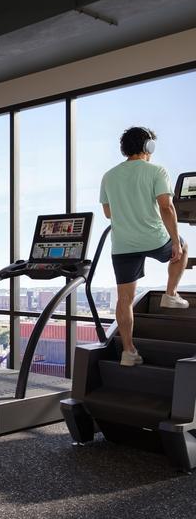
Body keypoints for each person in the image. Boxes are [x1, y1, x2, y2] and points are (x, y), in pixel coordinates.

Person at [100, 126, 189, 367]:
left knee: (124, 299)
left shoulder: (109, 176)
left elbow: (108, 213)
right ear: (148, 147)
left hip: (122, 245)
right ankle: (170, 295)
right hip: (154, 238)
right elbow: (166, 207)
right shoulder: (156, 170)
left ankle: (128, 351)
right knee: (182, 247)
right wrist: (175, 240)